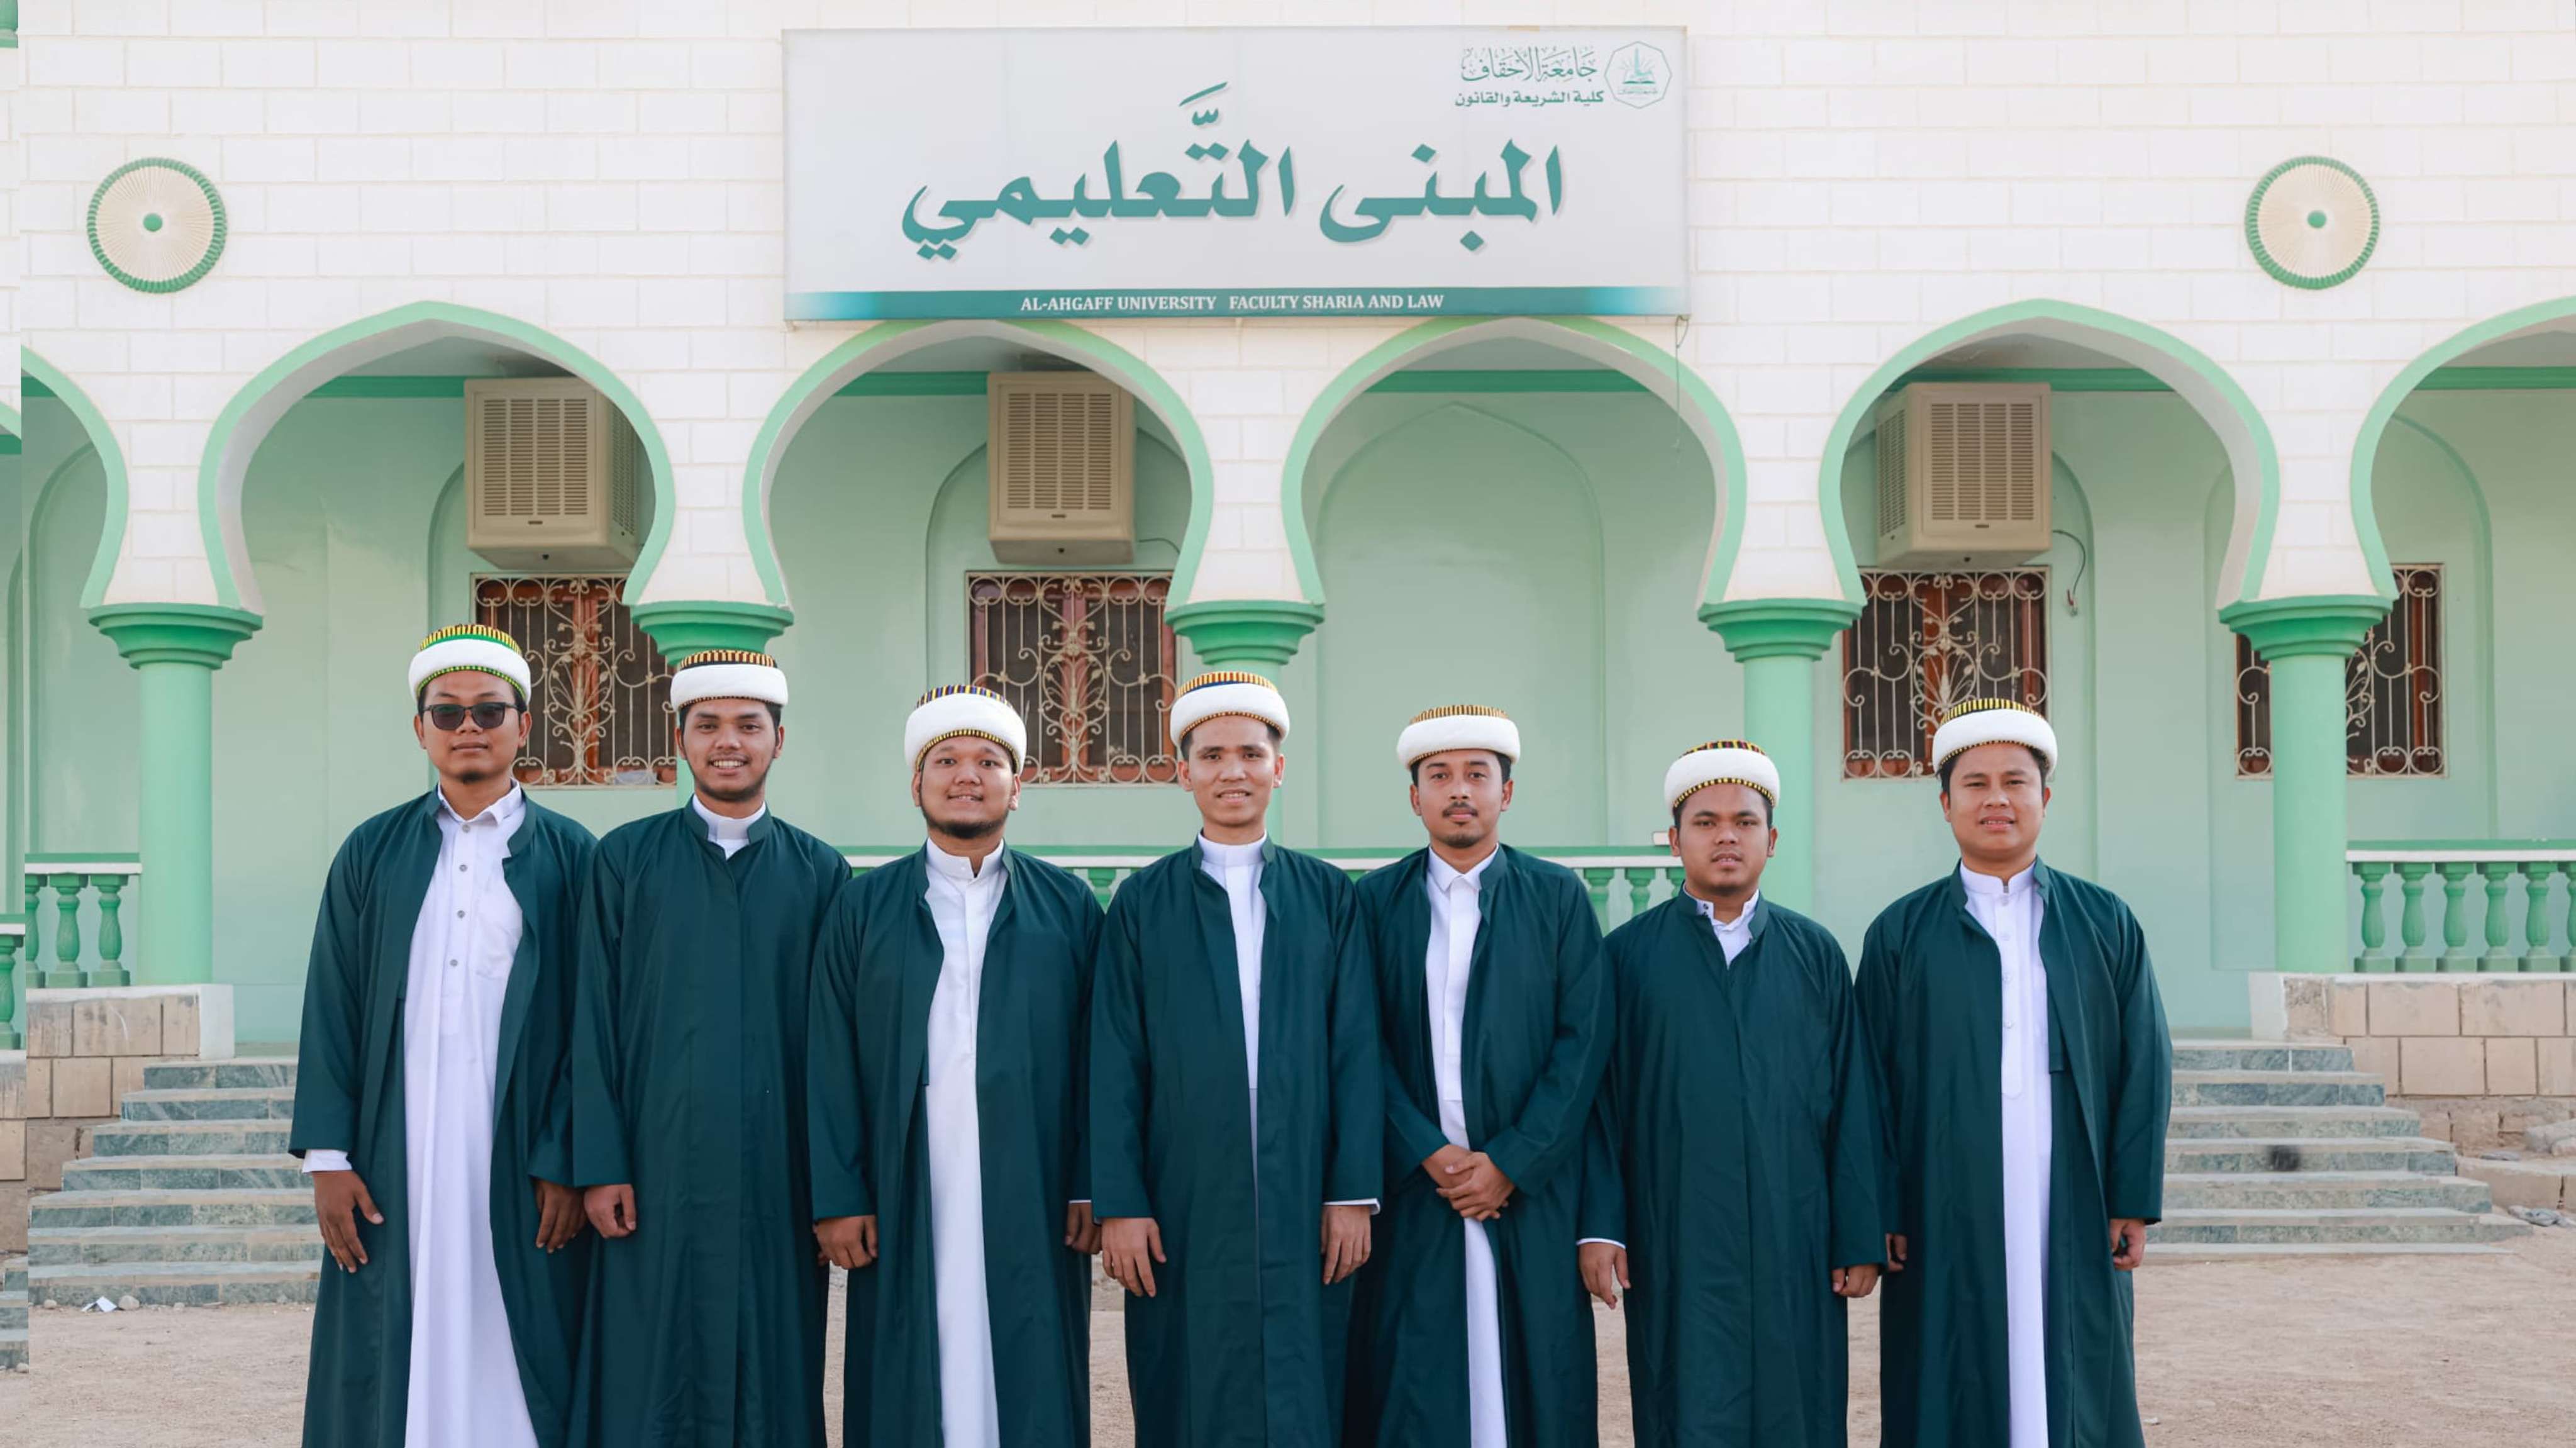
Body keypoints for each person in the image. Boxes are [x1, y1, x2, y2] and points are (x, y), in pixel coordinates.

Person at [287, 623, 593, 1448]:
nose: (469, 727)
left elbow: (592, 1026)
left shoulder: (573, 858)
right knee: (392, 1328)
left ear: (525, 726)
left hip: (520, 1151)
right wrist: (328, 1158)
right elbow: (333, 1004)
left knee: (524, 1326)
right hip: (398, 1146)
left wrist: (569, 1155)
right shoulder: (372, 852)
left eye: (490, 710)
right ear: (420, 728)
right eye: (448, 712)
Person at [1857, 701, 2172, 1448]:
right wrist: (1882, 1206)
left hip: (2073, 1190)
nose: (1995, 799)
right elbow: (1869, 1085)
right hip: (1941, 1197)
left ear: (2045, 797)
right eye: (1974, 784)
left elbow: (2144, 1065)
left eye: (2014, 782)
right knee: (1946, 1367)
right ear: (1945, 804)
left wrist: (2132, 1196)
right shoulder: (1900, 933)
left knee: (2076, 1367)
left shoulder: (2104, 921)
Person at [1089, 671, 1384, 1448]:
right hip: (1180, 1189)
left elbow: (1356, 1050)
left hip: (1305, 1185)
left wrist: (1352, 1191)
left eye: (1250, 754)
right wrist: (1121, 1202)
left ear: (1277, 769)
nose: (1233, 771)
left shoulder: (1328, 897)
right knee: (1188, 1370)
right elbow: (1115, 1062)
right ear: (1182, 771)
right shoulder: (1141, 904)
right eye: (1212, 755)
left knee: (1308, 1372)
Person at [808, 686, 1105, 1448]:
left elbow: (1097, 1058)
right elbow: (829, 1058)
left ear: (1018, 784)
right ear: (916, 784)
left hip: (1034, 1175)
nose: (967, 775)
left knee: (1033, 1356)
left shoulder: (1068, 906)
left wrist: (1086, 1181)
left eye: (988, 761)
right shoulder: (862, 907)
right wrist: (840, 1193)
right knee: (906, 1360)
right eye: (945, 760)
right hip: (905, 1173)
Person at [568, 649, 849, 1447]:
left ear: (778, 741)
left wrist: (831, 1185)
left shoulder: (821, 872)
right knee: (649, 1363)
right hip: (653, 1170)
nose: (729, 742)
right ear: (681, 739)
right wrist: (601, 1164)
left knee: (774, 1362)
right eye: (708, 724)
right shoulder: (625, 860)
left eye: (748, 725)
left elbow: (837, 1045)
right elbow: (593, 1019)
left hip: (778, 1173)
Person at [1575, 740, 1889, 1448]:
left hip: (1794, 1230)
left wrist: (1856, 1233)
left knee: (1797, 1403)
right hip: (1673, 1230)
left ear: (1771, 841)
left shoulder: (1815, 955)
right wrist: (1602, 1226)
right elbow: (1600, 1107)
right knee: (1685, 1400)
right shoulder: (1626, 959)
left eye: (1745, 822)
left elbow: (1852, 1103)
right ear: (1674, 840)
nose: (1726, 837)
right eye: (1706, 822)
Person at [1346, 706, 1609, 1448]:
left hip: (1528, 1189)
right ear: (1415, 798)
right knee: (1411, 1378)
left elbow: (1582, 1044)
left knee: (1536, 1375)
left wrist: (1511, 1162)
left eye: (1476, 775)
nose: (1459, 790)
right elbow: (1359, 1042)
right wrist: (1427, 1150)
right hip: (1416, 1187)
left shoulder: (1557, 898)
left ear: (1506, 792)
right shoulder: (1372, 903)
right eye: (1439, 776)